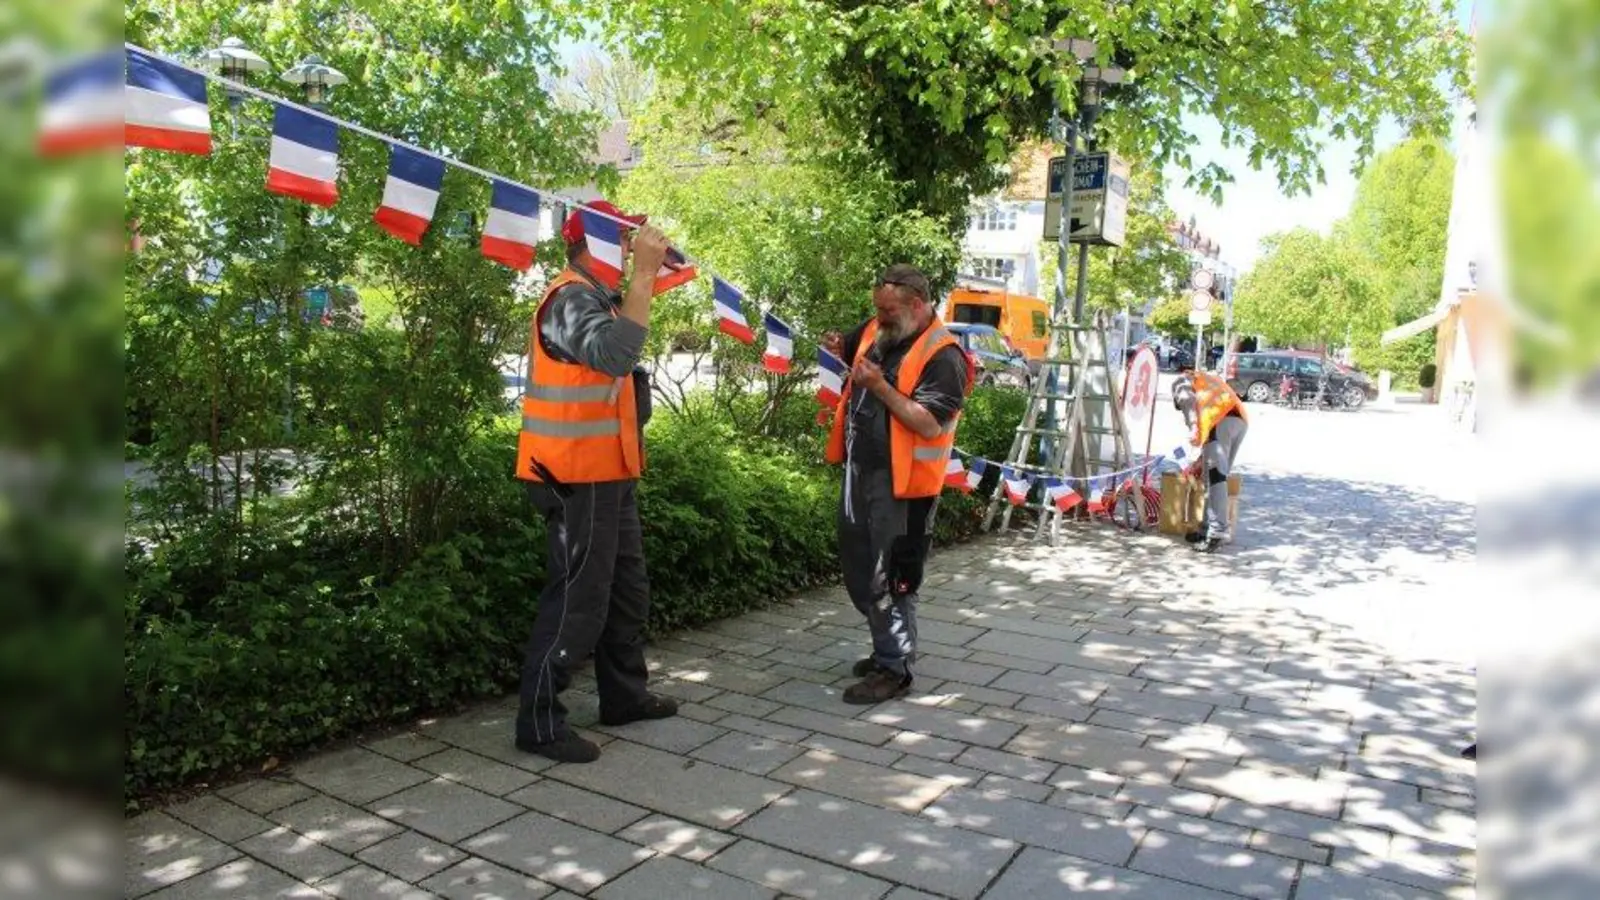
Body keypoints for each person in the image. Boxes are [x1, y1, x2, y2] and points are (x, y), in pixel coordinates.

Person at [512, 200, 680, 763]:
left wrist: (644, 280)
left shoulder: (597, 297)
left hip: (608, 472)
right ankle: (538, 723)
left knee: (626, 589)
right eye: (627, 238)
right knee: (578, 598)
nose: (635, 247)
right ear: (600, 243)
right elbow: (613, 358)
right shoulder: (569, 298)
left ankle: (624, 696)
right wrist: (646, 276)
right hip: (573, 474)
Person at [821, 264, 973, 704]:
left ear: (918, 306)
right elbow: (851, 347)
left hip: (905, 487)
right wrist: (837, 345)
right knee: (858, 568)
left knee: (893, 577)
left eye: (888, 311)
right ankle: (888, 646)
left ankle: (895, 669)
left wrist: (880, 388)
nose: (879, 318)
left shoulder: (944, 357)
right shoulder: (879, 328)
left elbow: (927, 424)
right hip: (860, 471)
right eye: (878, 309)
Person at [1172, 365, 1249, 553]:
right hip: (1238, 421)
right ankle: (1207, 528)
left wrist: (1192, 427)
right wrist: (1201, 459)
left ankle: (1216, 532)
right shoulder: (1206, 380)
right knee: (1212, 477)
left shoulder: (1181, 381)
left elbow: (1186, 399)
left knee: (1215, 479)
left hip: (1220, 421)